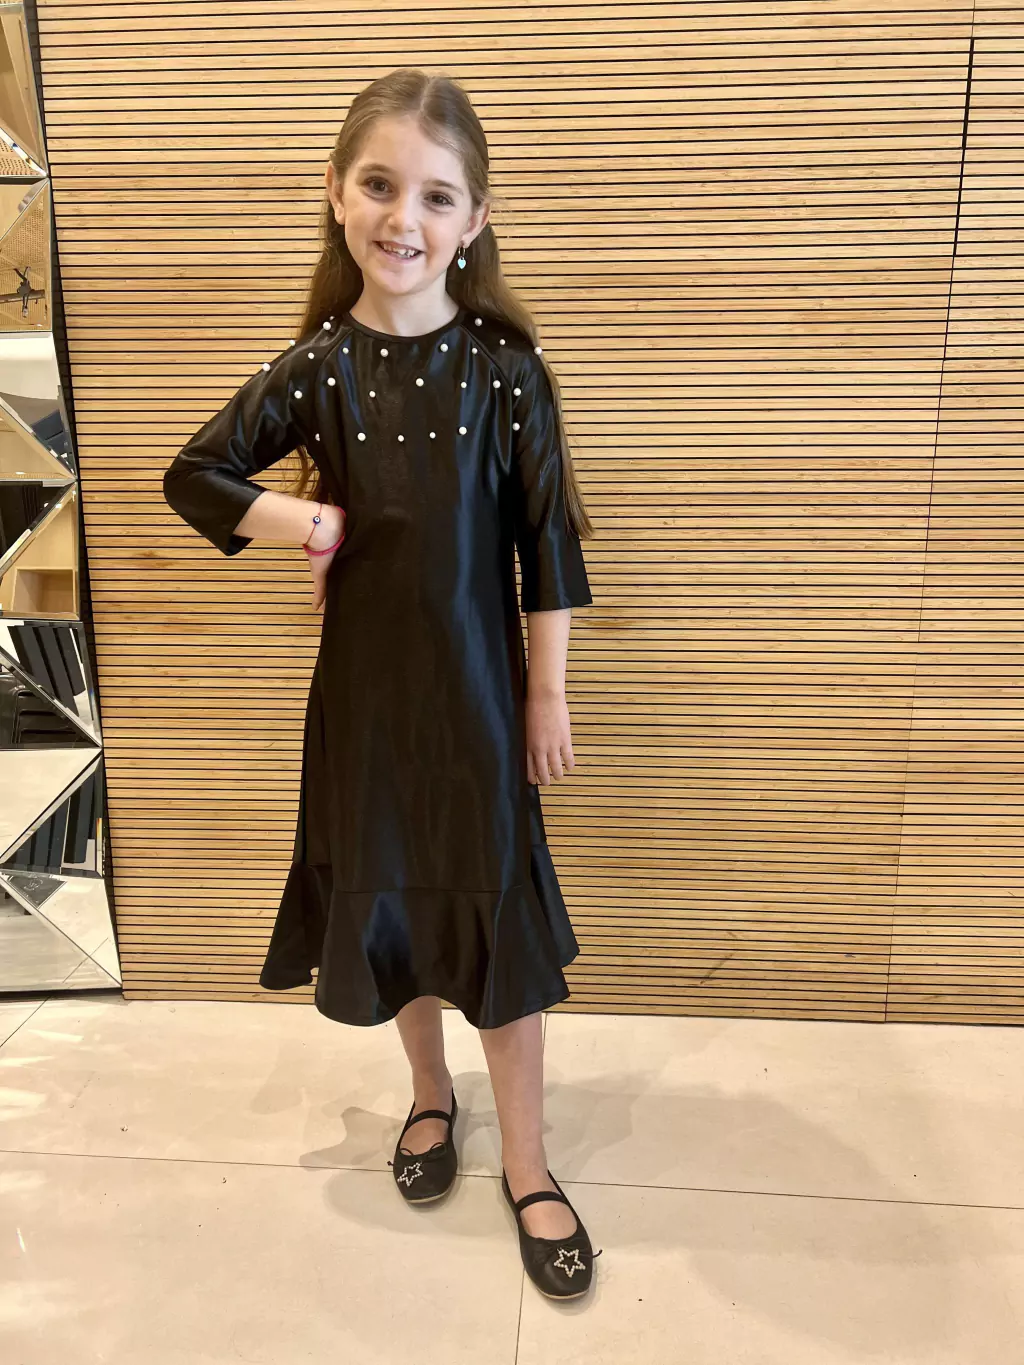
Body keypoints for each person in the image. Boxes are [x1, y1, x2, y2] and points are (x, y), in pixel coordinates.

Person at [163, 67, 599, 1300]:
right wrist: (305, 524)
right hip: (361, 709)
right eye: (379, 185)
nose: (403, 217)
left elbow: (548, 548)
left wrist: (545, 696)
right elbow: (196, 476)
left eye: (435, 195)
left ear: (474, 220)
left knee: (491, 921)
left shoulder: (506, 371)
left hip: (478, 705)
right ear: (336, 193)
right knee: (395, 903)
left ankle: (528, 1162)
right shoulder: (316, 370)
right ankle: (427, 1097)